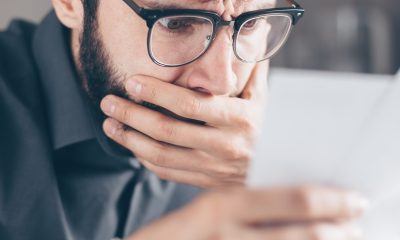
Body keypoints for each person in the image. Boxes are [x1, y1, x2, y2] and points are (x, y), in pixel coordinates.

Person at [0, 0, 368, 239]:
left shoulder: (273, 147)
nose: (222, 81)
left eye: (252, 24)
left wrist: (272, 174)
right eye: (175, 23)